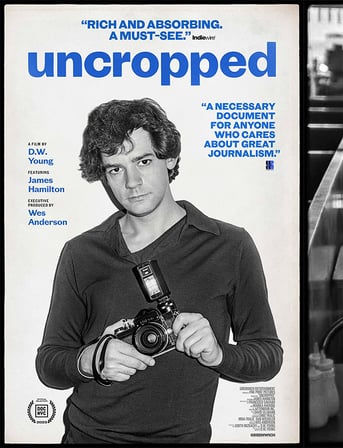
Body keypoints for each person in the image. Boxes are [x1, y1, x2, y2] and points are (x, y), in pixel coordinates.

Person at [35, 98, 283, 443]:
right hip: (88, 436)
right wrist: (91, 360)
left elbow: (268, 356)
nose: (132, 182)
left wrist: (217, 354)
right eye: (115, 169)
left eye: (144, 161)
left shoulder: (229, 245)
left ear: (170, 158)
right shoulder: (81, 252)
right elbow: (49, 363)